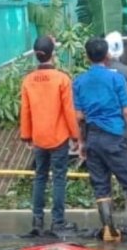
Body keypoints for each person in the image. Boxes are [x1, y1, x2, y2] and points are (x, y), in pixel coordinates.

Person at [73, 38, 127, 243]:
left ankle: (109, 231)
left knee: (101, 185)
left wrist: (82, 142)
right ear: (107, 56)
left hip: (93, 138)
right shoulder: (116, 79)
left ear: (87, 57)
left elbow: (78, 117)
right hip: (115, 137)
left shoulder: (79, 81)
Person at [20, 36, 82, 235]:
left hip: (38, 137)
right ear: (52, 54)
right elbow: (68, 111)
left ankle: (37, 220)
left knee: (39, 177)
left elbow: (26, 111)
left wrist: (27, 136)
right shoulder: (62, 79)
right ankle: (58, 221)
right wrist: (75, 136)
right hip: (59, 137)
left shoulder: (28, 80)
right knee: (58, 178)